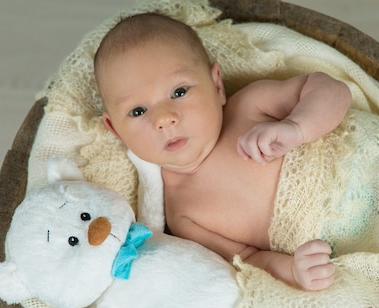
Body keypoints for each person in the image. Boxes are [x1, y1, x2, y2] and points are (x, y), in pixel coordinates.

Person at [94, 12, 352, 291]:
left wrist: (297, 127)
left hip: (364, 165)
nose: (164, 119)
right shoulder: (183, 216)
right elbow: (249, 260)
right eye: (138, 111)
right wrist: (293, 269)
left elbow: (331, 90)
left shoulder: (250, 107)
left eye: (179, 92)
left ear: (217, 85)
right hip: (348, 244)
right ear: (116, 131)